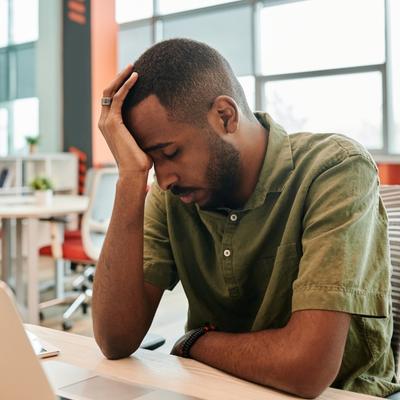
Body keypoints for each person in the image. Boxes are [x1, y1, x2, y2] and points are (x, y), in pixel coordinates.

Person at [92, 38, 399, 398]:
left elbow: (307, 369)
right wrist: (130, 178)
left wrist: (195, 343)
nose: (163, 178)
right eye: (150, 162)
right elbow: (115, 340)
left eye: (170, 152)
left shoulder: (335, 169)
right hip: (215, 389)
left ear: (225, 115)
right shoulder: (171, 193)